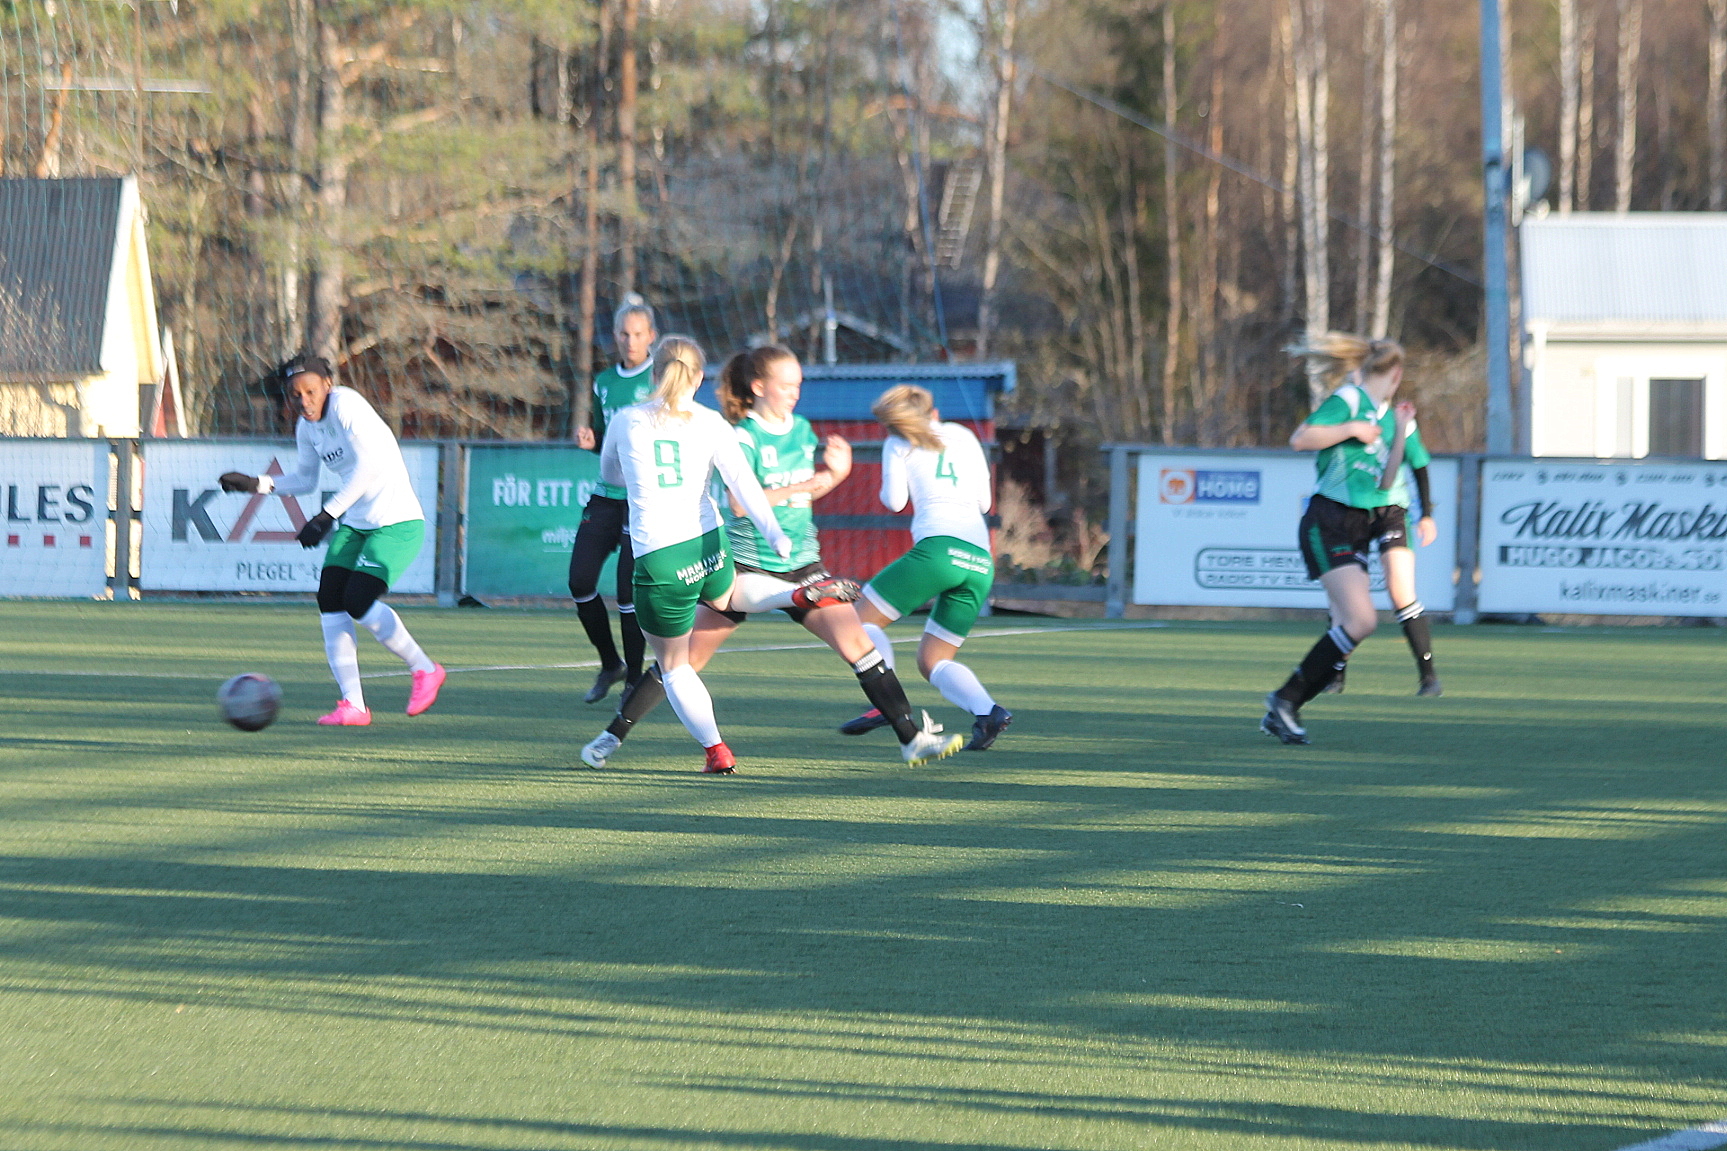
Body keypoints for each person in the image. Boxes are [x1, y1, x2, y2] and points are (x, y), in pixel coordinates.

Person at [579, 346, 963, 770]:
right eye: (787, 385)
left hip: (803, 563)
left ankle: (912, 739)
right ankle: (614, 733)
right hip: (749, 563)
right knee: (684, 661)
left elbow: (804, 496)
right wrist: (809, 487)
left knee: (859, 647)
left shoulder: (801, 430)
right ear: (759, 387)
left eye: (799, 384)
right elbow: (741, 503)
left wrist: (834, 477)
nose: (795, 392)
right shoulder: (742, 434)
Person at [591, 335, 795, 773]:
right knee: (726, 596)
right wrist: (774, 533)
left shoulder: (627, 420)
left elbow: (609, 474)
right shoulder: (711, 422)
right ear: (699, 378)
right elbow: (743, 483)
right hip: (710, 543)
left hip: (661, 557)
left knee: (674, 666)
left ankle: (716, 751)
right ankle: (790, 595)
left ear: (654, 373)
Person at [217, 357, 444, 726]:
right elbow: (305, 480)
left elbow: (369, 468)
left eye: (310, 391)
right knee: (330, 599)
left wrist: (326, 516)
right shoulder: (306, 428)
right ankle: (353, 706)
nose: (304, 400)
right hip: (356, 524)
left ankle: (425, 669)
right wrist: (255, 484)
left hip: (396, 523)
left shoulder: (347, 406)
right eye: (295, 395)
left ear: (327, 384)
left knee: (358, 601)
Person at [1261, 332, 1441, 747]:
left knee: (1356, 624)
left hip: (1356, 524)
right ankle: (1286, 700)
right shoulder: (1349, 400)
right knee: (1360, 621)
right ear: (1395, 374)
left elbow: (1387, 482)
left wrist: (1399, 432)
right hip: (1327, 520)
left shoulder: (1386, 413)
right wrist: (1349, 429)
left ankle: (1285, 705)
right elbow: (1300, 439)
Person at [839, 384, 1013, 752]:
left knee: (857, 622)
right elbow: (985, 503)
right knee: (933, 659)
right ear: (933, 411)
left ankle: (885, 704)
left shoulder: (898, 442)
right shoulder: (964, 434)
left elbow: (894, 501)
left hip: (938, 551)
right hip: (980, 561)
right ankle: (988, 713)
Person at [568, 297, 658, 703]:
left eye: (638, 334)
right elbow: (608, 439)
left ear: (651, 336)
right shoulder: (604, 381)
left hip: (641, 499)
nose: (630, 341)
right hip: (606, 495)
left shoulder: (660, 378)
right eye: (624, 333)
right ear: (615, 337)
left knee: (627, 593)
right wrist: (593, 442)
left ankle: (634, 679)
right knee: (580, 581)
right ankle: (610, 663)